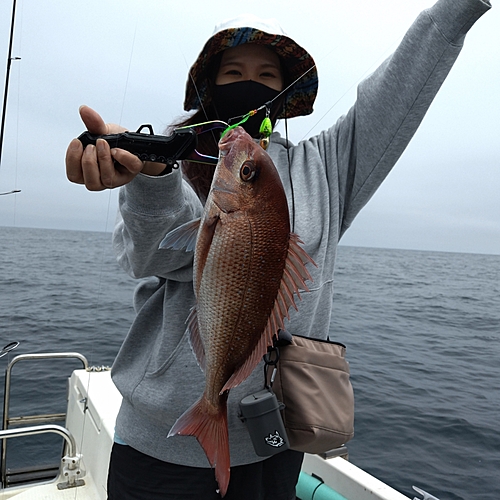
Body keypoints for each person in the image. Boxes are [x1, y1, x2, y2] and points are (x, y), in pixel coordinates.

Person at [65, 1, 491, 498]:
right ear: (209, 85)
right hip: (161, 448)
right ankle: (209, 407)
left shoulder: (327, 168)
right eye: (234, 71)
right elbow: (152, 257)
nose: (252, 83)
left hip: (276, 438)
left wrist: (456, 10)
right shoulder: (172, 157)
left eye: (269, 74)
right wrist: (153, 180)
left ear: (287, 93)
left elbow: (399, 89)